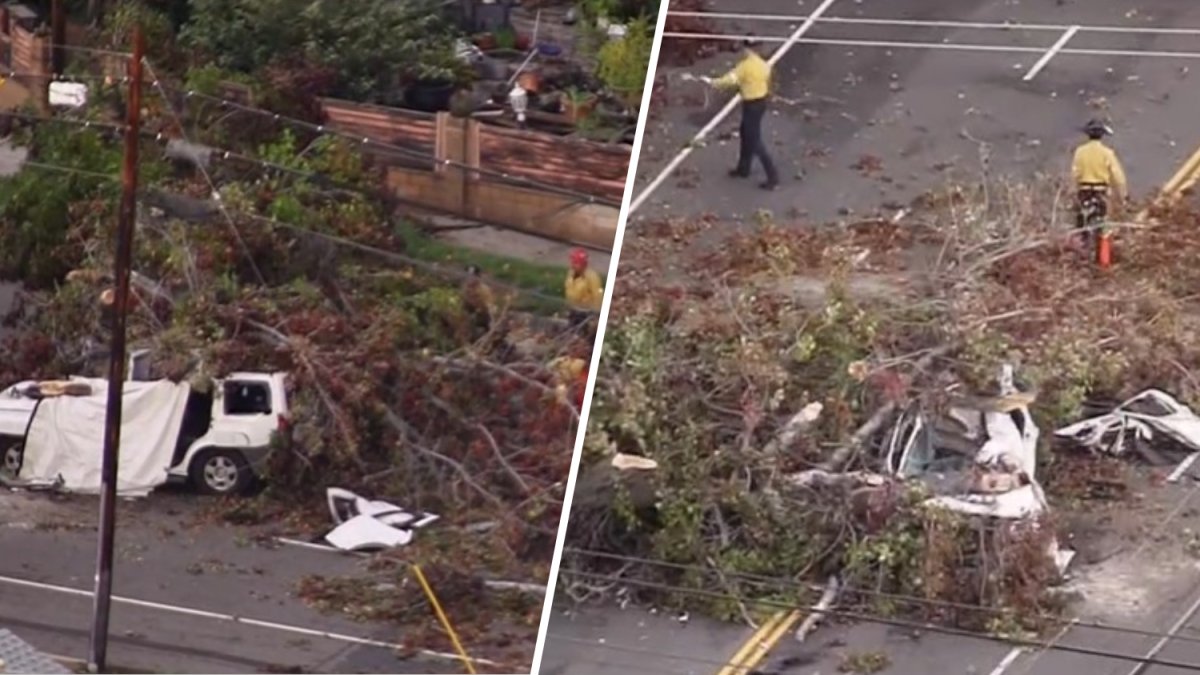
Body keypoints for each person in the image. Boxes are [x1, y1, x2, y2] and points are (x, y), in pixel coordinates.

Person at [701, 38, 779, 190]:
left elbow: (728, 81)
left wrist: (711, 82)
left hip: (750, 104)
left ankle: (772, 176)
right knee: (745, 132)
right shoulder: (764, 65)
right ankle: (743, 168)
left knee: (754, 140)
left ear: (747, 49)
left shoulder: (744, 67)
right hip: (760, 102)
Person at [1071, 119, 1128, 248]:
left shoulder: (1080, 152)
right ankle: (1102, 258)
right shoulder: (1107, 153)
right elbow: (1118, 176)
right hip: (1100, 192)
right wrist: (1122, 195)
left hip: (1084, 192)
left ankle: (1082, 251)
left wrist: (1073, 192)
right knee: (1102, 227)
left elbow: (1075, 174)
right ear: (1102, 135)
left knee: (1081, 227)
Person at [564, 248, 603, 330]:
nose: (572, 265)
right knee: (571, 329)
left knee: (582, 332)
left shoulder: (592, 277)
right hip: (573, 309)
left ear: (583, 264)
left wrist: (595, 314)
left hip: (585, 312)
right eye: (572, 262)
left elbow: (597, 296)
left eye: (576, 263)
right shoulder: (571, 273)